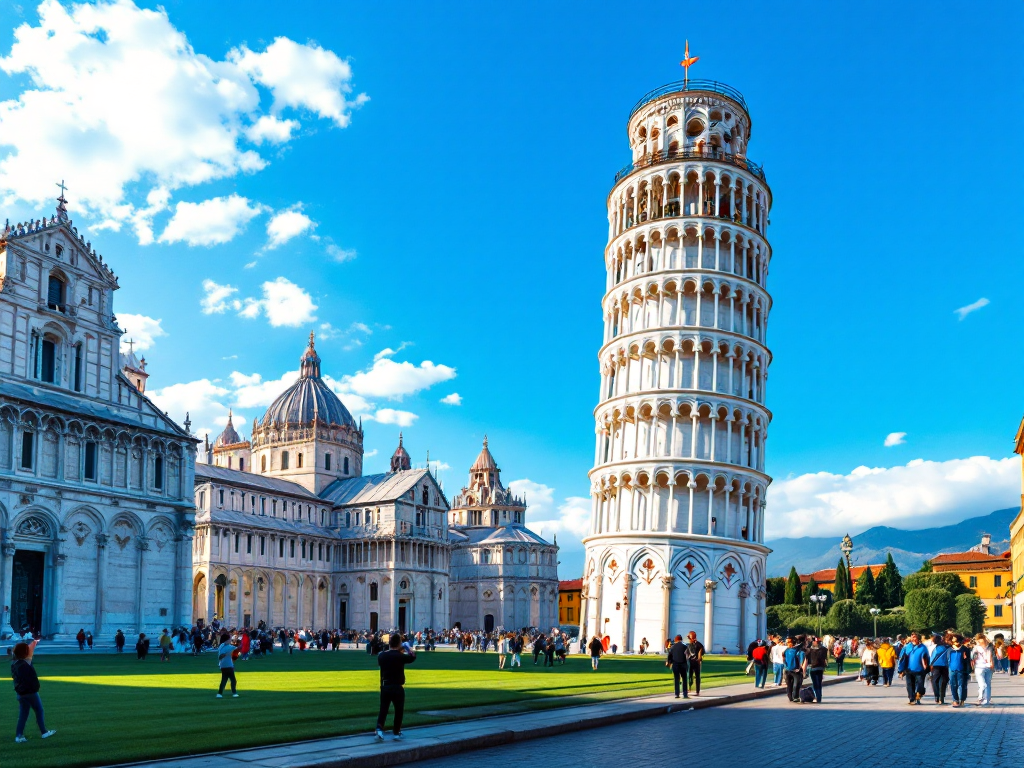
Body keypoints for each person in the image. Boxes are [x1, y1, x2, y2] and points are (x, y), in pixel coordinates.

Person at [11, 640, 57, 744]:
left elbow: (29, 655)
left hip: (21, 693)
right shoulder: (24, 664)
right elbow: (29, 657)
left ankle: (19, 735)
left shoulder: (15, 663)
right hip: (30, 692)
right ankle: (44, 732)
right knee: (39, 710)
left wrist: (34, 644)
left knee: (23, 714)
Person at [375, 634, 417, 741]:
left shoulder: (381, 655)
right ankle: (396, 732)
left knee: (383, 709)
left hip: (385, 685)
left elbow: (385, 657)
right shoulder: (400, 656)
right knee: (399, 710)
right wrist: (407, 647)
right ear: (399, 643)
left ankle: (379, 729)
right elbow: (412, 656)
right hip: (397, 687)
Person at [898, 632, 930, 705]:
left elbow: (927, 658)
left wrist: (928, 668)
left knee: (920, 685)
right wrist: (901, 670)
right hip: (909, 669)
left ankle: (919, 693)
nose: (913, 639)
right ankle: (911, 698)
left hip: (920, 670)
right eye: (912, 637)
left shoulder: (923, 647)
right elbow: (901, 658)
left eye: (915, 637)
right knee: (910, 684)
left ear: (918, 638)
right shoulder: (907, 647)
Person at [947, 635, 971, 707]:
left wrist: (968, 669)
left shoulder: (965, 649)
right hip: (952, 670)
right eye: (953, 640)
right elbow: (947, 660)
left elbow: (968, 660)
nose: (955, 642)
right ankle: (955, 700)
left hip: (962, 670)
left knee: (962, 685)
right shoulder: (949, 650)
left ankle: (962, 699)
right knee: (953, 685)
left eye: (957, 640)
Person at [971, 633, 994, 706]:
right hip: (985, 666)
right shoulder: (989, 647)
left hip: (983, 667)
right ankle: (985, 699)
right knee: (986, 684)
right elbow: (972, 657)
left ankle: (983, 699)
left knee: (984, 684)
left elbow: (972, 657)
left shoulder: (977, 648)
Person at [782, 637, 806, 703]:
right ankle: (790, 697)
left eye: (789, 642)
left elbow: (802, 659)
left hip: (796, 671)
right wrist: (785, 666)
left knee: (796, 685)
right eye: (787, 642)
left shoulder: (798, 650)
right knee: (789, 685)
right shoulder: (786, 650)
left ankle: (795, 697)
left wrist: (800, 668)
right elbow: (784, 659)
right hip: (788, 670)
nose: (787, 644)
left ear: (793, 642)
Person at [929, 634, 950, 704]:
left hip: (936, 666)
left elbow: (933, 657)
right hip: (945, 666)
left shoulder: (935, 648)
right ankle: (942, 697)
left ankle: (937, 696)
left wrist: (930, 664)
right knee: (944, 682)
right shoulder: (947, 647)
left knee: (935, 681)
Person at [216, 632, 239, 698]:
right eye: (229, 639)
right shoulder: (229, 647)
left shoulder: (221, 645)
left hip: (222, 665)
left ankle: (219, 693)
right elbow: (237, 649)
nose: (230, 640)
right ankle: (234, 693)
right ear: (227, 640)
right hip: (228, 665)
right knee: (233, 680)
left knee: (224, 680)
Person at [806, 637, 827, 703]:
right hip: (820, 667)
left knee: (816, 683)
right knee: (818, 683)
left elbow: (807, 658)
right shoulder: (824, 649)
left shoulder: (810, 650)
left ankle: (818, 696)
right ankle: (818, 696)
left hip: (814, 667)